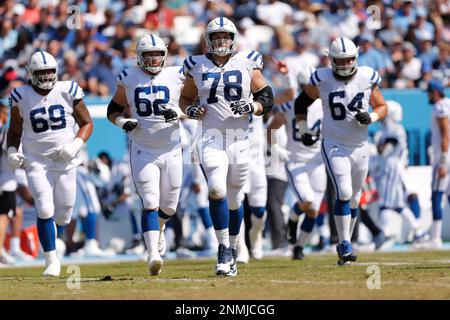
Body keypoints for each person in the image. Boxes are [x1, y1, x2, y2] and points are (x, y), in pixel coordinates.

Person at [179, 17, 274, 276]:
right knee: (216, 190)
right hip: (210, 136)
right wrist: (190, 108)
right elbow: (185, 97)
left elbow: (267, 97)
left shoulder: (247, 61)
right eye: (217, 37)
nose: (221, 41)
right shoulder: (196, 65)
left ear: (233, 39)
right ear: (208, 40)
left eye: (226, 37)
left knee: (235, 199)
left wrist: (252, 106)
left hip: (240, 138)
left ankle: (233, 249)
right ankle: (222, 249)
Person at [295, 37, 388, 265]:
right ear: (331, 60)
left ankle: (347, 242)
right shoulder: (322, 78)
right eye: (340, 60)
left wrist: (372, 116)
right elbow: (300, 104)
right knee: (344, 192)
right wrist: (304, 129)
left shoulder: (366, 76)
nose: (345, 64)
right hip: (334, 144)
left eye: (348, 59)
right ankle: (344, 244)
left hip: (360, 145)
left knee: (355, 198)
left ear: (355, 57)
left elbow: (382, 106)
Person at [7, 50, 93, 276]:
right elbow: (14, 131)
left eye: (49, 71)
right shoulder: (21, 95)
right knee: (44, 208)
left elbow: (87, 123)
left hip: (66, 161)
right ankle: (51, 259)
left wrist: (75, 145)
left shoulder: (68, 90)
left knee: (64, 214)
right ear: (30, 74)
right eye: (41, 72)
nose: (45, 76)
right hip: (37, 161)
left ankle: (57, 240)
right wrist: (12, 151)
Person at [107, 34, 184, 276]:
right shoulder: (128, 78)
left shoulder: (178, 74)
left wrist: (179, 112)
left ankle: (159, 228)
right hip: (142, 148)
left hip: (171, 148)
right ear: (139, 57)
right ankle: (153, 254)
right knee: (150, 201)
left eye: (157, 54)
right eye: (148, 54)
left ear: (164, 54)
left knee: (169, 207)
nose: (153, 59)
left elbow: (195, 104)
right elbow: (113, 110)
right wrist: (122, 122)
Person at [269, 67, 326, 260]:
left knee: (314, 210)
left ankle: (299, 246)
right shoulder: (291, 105)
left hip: (318, 162)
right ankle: (293, 220)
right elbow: (272, 127)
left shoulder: (327, 104)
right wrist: (276, 148)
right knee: (308, 202)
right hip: (296, 161)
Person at [415, 79, 450, 249]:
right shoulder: (448, 104)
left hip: (444, 158)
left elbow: (445, 134)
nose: (428, 95)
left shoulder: (440, 107)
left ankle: (435, 238)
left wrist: (443, 161)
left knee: (436, 194)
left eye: (429, 92)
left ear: (435, 92)